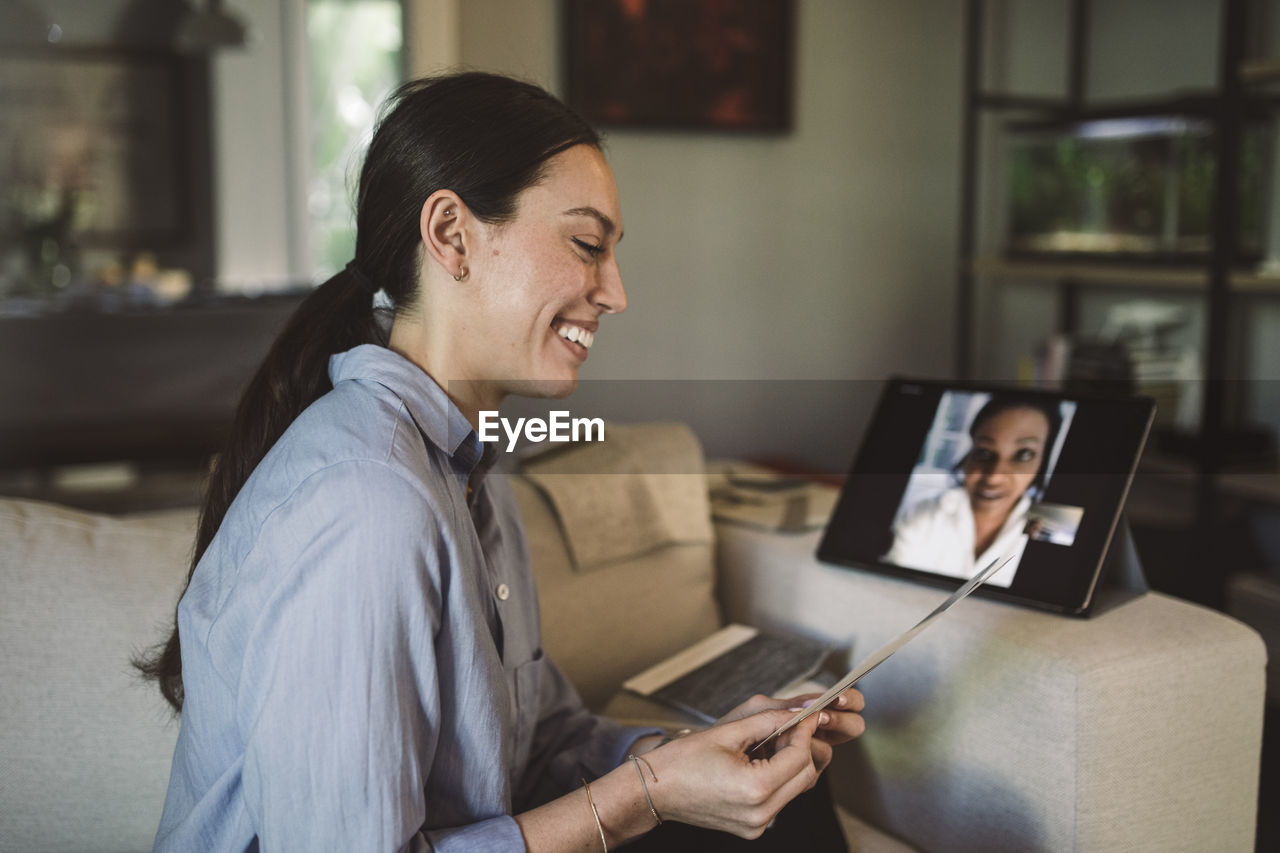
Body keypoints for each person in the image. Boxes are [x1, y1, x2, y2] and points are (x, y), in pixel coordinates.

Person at [135, 71, 864, 852]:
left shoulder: (472, 472)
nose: (614, 292)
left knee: (790, 808)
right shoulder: (366, 500)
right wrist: (645, 796)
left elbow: (540, 738)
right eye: (588, 245)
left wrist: (680, 759)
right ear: (451, 235)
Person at [883, 394, 1062, 583]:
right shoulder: (923, 515)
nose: (994, 476)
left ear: (1042, 463)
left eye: (1023, 455)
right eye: (983, 452)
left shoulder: (1051, 528)